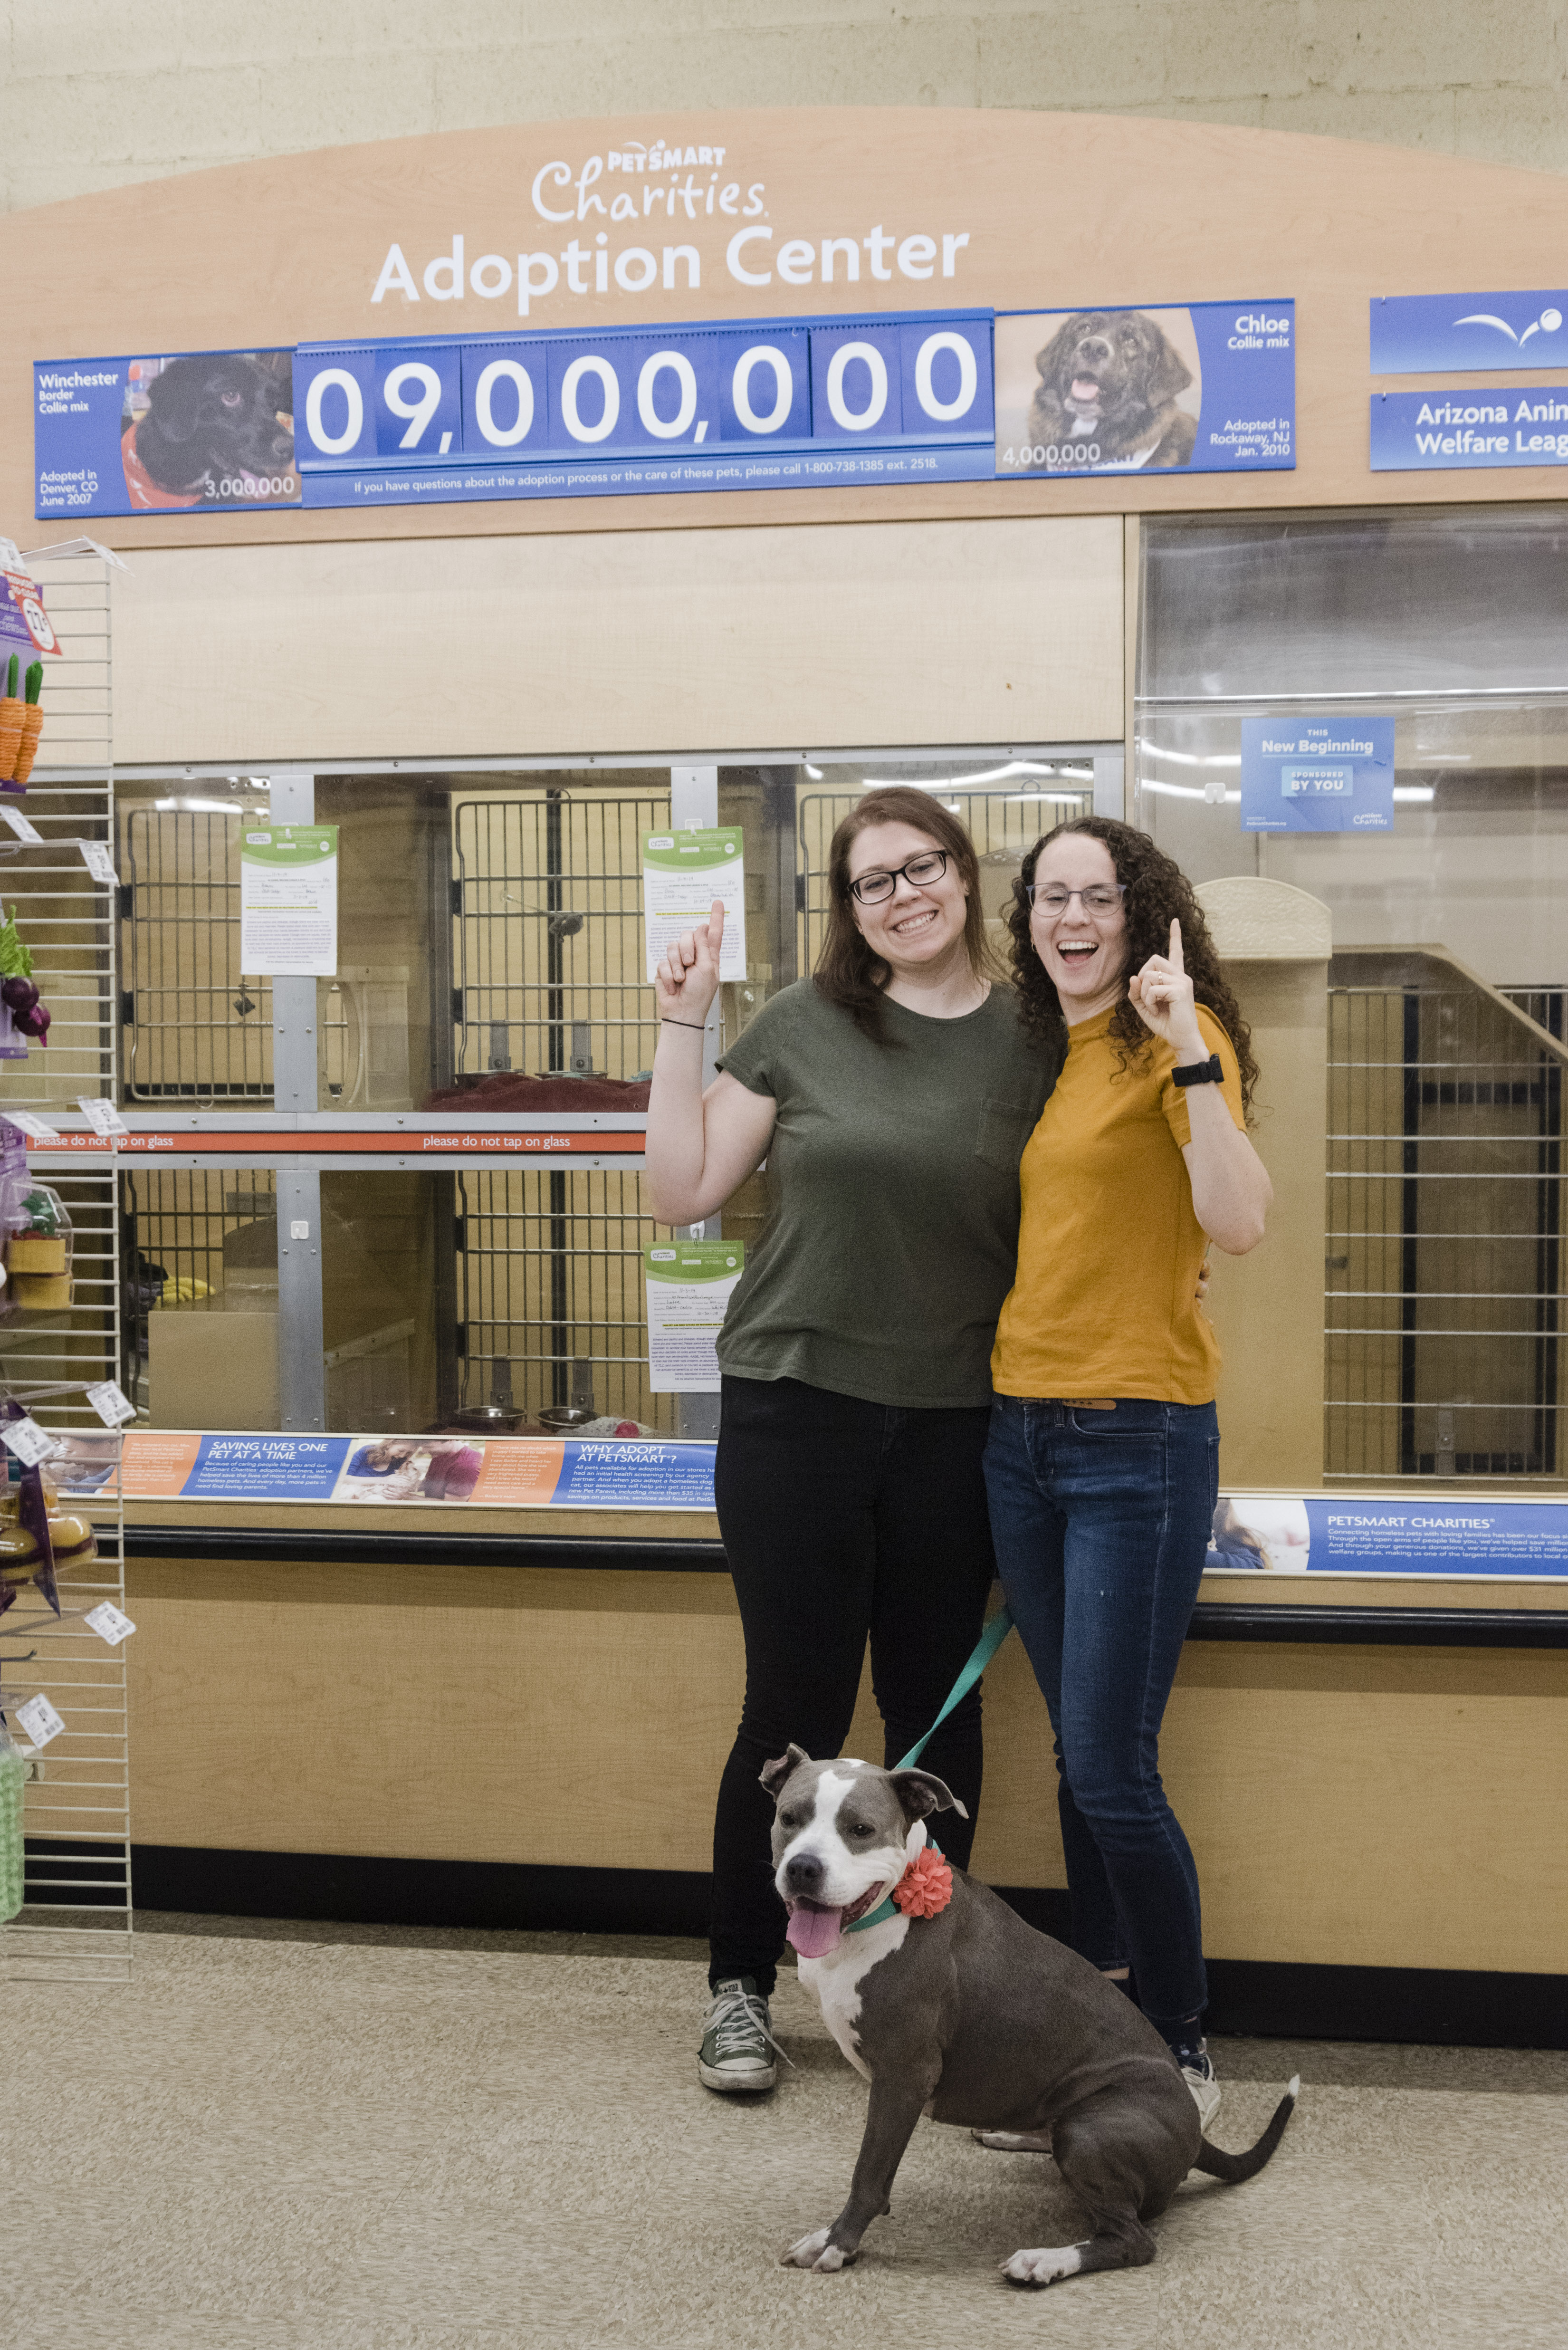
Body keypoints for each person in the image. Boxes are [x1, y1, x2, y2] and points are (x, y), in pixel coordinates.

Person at [645, 787, 1062, 2096]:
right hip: (795, 1409)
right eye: (870, 880)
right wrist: (680, 1022)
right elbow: (683, 1185)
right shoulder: (804, 1025)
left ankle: (927, 1984)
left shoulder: (1034, 1037)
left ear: (962, 873)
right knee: (791, 1711)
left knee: (933, 1731)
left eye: (920, 867)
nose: (900, 894)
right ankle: (736, 1988)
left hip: (958, 1424)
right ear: (849, 908)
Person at [982, 815, 1272, 2131]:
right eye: (1048, 897)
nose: (1069, 916)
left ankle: (1177, 2043)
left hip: (1137, 1437)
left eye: (1095, 894)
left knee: (1111, 1767)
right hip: (1020, 1434)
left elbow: (1238, 1220)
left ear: (1140, 908)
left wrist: (1189, 1052)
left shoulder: (1176, 1033)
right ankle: (1096, 2042)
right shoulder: (1041, 1051)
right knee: (1071, 1760)